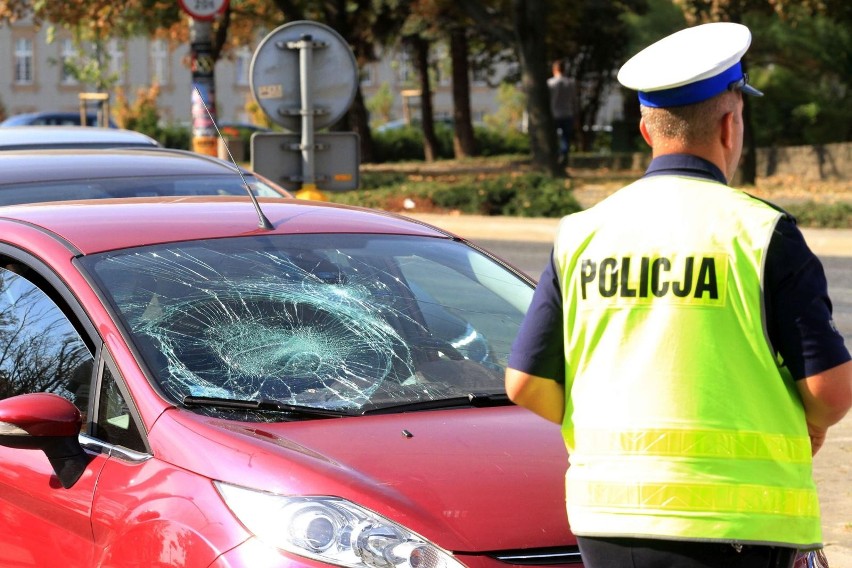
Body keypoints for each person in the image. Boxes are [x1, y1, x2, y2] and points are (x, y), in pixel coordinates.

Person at [505, 22, 852, 568]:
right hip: (737, 523)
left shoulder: (580, 232)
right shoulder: (761, 233)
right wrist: (806, 423)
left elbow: (526, 383)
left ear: (647, 131)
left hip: (608, 520)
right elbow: (831, 390)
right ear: (731, 125)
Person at [547, 59, 579, 167]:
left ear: (554, 70)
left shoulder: (550, 83)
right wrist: (576, 116)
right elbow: (574, 101)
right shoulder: (571, 83)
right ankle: (563, 157)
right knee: (565, 138)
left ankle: (554, 157)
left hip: (554, 114)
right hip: (567, 113)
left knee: (553, 138)